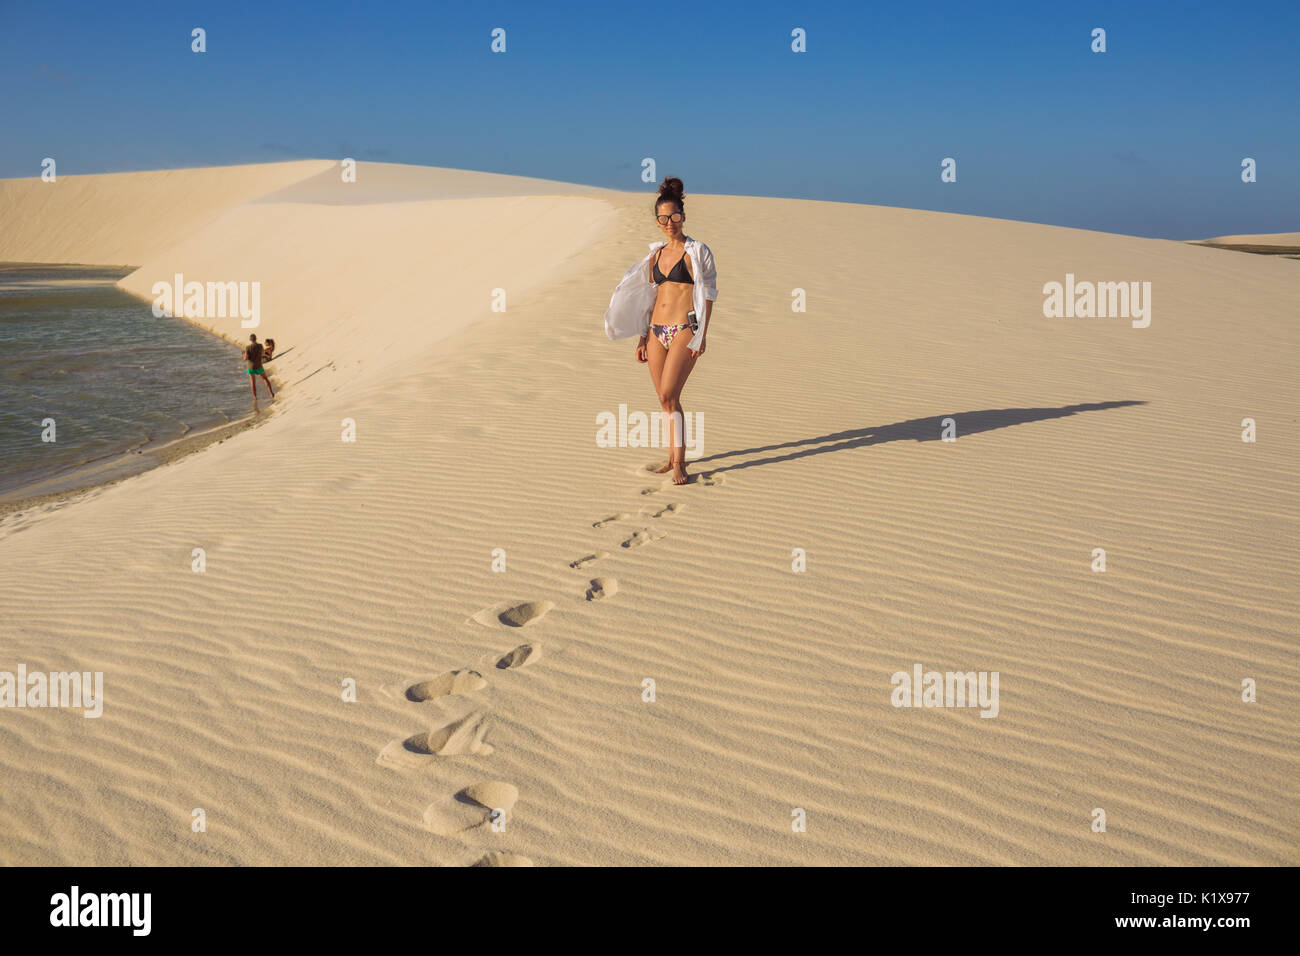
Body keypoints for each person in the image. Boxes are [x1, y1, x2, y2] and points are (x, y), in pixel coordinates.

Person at [602, 176, 718, 484]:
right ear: (658, 221)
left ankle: (680, 463)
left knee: (669, 393)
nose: (670, 222)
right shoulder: (655, 255)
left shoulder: (698, 251)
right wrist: (642, 336)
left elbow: (709, 295)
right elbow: (648, 298)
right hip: (655, 331)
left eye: (675, 216)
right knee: (664, 400)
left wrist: (701, 334)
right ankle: (672, 457)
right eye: (663, 218)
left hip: (684, 329)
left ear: (683, 216)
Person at [243, 333, 274, 399]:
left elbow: (245, 358)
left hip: (250, 367)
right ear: (256, 339)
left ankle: (255, 397)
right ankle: (271, 393)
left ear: (250, 340)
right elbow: (263, 353)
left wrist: (245, 355)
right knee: (265, 378)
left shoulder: (248, 347)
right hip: (259, 365)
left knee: (252, 382)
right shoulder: (260, 346)